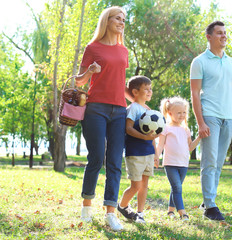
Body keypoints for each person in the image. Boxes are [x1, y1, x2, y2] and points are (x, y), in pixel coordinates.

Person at [75, 6, 131, 231]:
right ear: (106, 21)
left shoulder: (123, 51)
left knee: (115, 162)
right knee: (97, 157)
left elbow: (119, 82)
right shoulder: (93, 47)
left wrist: (137, 100)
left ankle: (110, 213)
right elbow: (79, 81)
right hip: (95, 108)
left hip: (119, 110)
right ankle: (87, 207)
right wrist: (89, 71)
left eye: (124, 19)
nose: (121, 22)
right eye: (117, 18)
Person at [190, 21, 232, 221]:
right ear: (209, 37)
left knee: (219, 162)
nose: (224, 36)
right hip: (210, 116)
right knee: (210, 160)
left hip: (228, 117)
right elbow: (195, 94)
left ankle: (207, 200)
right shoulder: (199, 61)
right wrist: (200, 122)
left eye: (225, 33)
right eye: (219, 33)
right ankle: (210, 206)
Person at [117, 75, 159, 224]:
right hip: (135, 153)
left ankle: (140, 213)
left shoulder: (149, 110)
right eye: (146, 89)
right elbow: (128, 129)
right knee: (136, 186)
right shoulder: (133, 108)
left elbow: (151, 135)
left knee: (144, 185)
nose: (149, 91)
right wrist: (144, 138)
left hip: (148, 152)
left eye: (150, 89)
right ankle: (122, 206)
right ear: (135, 92)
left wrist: (155, 153)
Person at [156, 97, 200, 221]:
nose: (182, 115)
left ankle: (170, 211)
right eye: (179, 112)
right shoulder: (166, 128)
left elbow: (190, 147)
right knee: (177, 187)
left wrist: (199, 138)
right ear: (170, 113)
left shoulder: (186, 130)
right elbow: (160, 145)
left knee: (176, 187)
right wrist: (156, 157)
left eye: (184, 112)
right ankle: (182, 212)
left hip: (183, 164)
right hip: (170, 163)